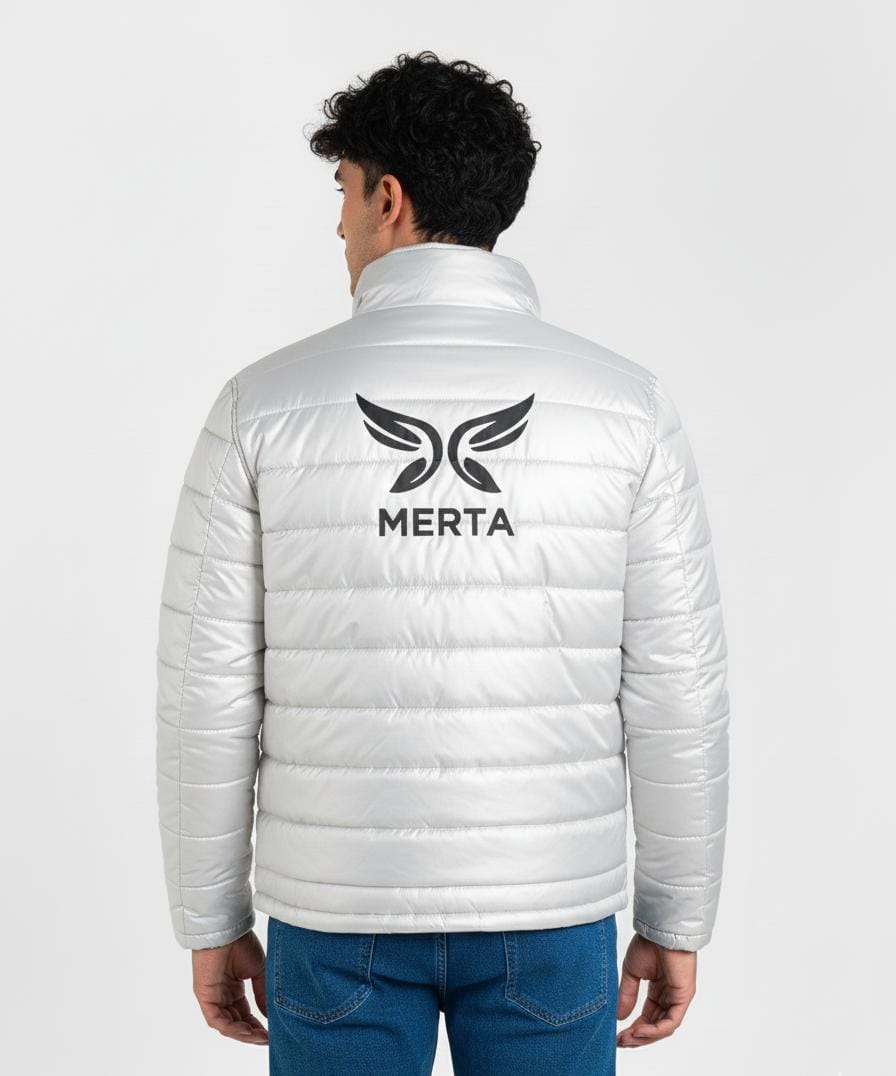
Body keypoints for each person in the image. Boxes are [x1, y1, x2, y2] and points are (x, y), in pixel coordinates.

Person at [155, 50, 730, 1075]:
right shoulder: (626, 407)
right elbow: (677, 689)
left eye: (342, 192)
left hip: (335, 913)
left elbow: (207, 690)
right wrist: (675, 912)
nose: (338, 226)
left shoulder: (261, 405)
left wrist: (211, 915)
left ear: (389, 198)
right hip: (549, 905)